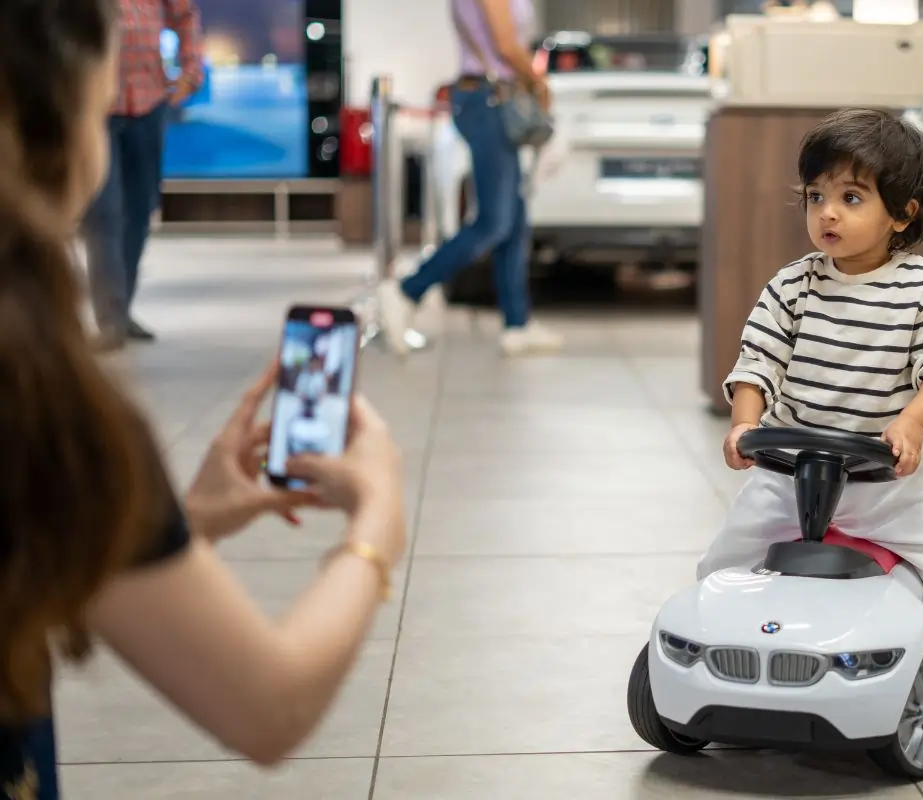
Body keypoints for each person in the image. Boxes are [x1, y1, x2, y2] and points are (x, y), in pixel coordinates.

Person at [0, 1, 408, 796]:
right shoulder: (38, 402)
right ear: (63, 126)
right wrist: (376, 529)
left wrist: (170, 521)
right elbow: (269, 706)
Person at [699, 108, 923, 730]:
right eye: (816, 196)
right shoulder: (793, 286)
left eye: (851, 197)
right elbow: (757, 362)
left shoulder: (919, 288)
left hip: (888, 481)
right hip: (790, 472)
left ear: (903, 213)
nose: (827, 212)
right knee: (723, 559)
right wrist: (745, 422)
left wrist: (910, 424)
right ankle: (722, 646)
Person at [376, 0, 563, 358]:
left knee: (515, 219)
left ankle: (517, 324)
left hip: (489, 97)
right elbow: (506, 45)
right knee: (493, 222)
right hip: (488, 99)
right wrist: (540, 83)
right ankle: (406, 291)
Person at [82, 0, 205, 350]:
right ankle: (110, 319)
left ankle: (121, 307)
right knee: (102, 213)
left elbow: (184, 15)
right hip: (97, 103)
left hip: (149, 101)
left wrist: (191, 71)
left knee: (140, 209)